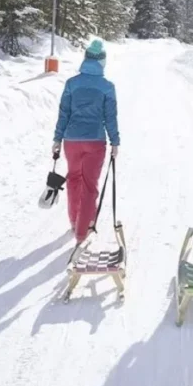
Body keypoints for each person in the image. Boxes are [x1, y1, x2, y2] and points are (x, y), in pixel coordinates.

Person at [52, 39, 119, 246]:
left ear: (86, 59)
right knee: (90, 186)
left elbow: (64, 113)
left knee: (73, 180)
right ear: (102, 62)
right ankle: (83, 232)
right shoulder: (107, 87)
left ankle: (75, 222)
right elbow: (110, 117)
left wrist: (57, 138)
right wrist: (115, 141)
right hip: (95, 141)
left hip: (71, 140)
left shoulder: (72, 83)